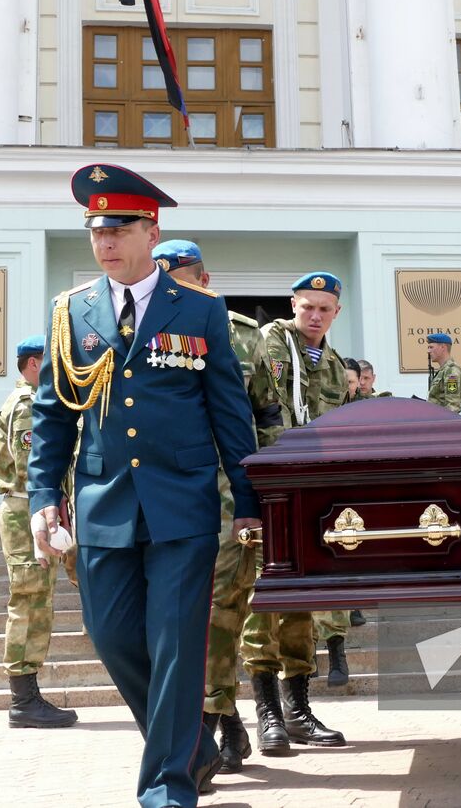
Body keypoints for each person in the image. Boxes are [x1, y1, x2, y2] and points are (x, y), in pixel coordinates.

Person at [27, 163, 260, 808]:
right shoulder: (72, 312)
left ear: (151, 230)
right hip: (103, 505)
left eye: (120, 228)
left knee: (175, 645)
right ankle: (191, 745)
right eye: (96, 231)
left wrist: (247, 502)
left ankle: (166, 788)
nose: (105, 242)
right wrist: (44, 499)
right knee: (112, 636)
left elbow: (229, 416)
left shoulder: (203, 312)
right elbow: (52, 417)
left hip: (182, 506)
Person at [152, 238, 283, 776]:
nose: (171, 292)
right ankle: (217, 722)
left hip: (230, 494)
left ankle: (217, 724)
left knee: (221, 609)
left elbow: (267, 417)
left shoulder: (243, 336)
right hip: (168, 493)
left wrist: (269, 496)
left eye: (180, 280)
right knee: (190, 613)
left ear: (203, 280)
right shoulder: (142, 327)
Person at [240, 272, 352, 754]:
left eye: (324, 309)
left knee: (302, 598)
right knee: (259, 598)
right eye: (307, 306)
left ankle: (299, 711)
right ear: (293, 304)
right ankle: (267, 714)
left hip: (310, 492)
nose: (315, 316)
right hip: (265, 487)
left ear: (336, 314)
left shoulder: (333, 366)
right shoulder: (266, 344)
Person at [0, 334, 78, 730]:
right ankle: (23, 699)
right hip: (29, 509)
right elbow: (33, 467)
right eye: (51, 361)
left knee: (38, 601)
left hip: (36, 509)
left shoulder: (32, 401)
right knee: (30, 602)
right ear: (33, 365)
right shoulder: (28, 405)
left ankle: (27, 696)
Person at [425, 333, 461, 413]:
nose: (428, 351)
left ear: (443, 347)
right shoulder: (443, 370)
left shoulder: (451, 371)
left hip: (442, 422)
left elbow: (453, 406)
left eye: (431, 347)